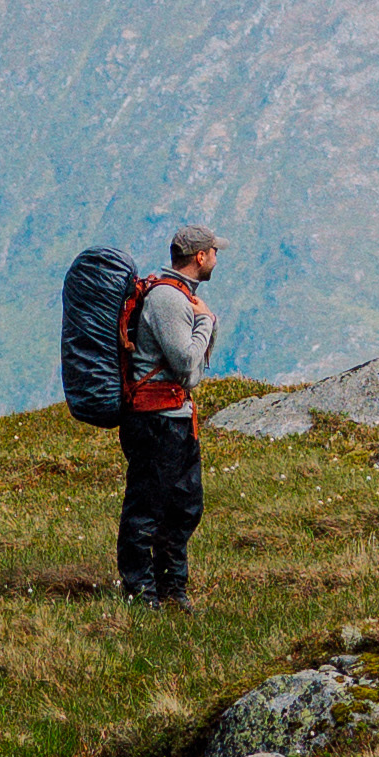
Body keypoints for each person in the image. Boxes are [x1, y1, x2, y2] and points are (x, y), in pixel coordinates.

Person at [118, 228, 221, 606]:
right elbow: (187, 365)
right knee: (146, 509)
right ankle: (140, 593)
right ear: (199, 257)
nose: (215, 258)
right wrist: (207, 320)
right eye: (213, 252)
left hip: (175, 419)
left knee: (184, 506)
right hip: (157, 420)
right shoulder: (167, 299)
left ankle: (173, 590)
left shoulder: (180, 297)